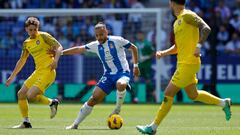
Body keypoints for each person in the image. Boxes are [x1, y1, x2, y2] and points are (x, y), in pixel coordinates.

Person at [136, 0, 232, 134]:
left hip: (189, 63)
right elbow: (177, 47)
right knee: (193, 95)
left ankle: (153, 127)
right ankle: (223, 103)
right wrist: (164, 53)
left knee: (168, 93)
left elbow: (206, 28)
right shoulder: (177, 22)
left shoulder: (187, 15)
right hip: (183, 63)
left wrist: (198, 46)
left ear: (171, 3)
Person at [57, 22, 140, 129]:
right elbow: (78, 49)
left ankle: (117, 109)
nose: (99, 37)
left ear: (106, 32)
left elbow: (134, 48)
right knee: (93, 98)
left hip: (122, 72)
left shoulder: (117, 40)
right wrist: (61, 53)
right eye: (97, 35)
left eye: (101, 34)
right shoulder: (95, 45)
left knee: (121, 83)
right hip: (108, 75)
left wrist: (136, 66)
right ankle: (75, 124)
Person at [5, 17, 63, 128]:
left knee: (31, 95)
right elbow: (22, 60)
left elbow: (59, 47)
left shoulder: (44, 36)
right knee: (21, 94)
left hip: (48, 70)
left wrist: (55, 60)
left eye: (35, 29)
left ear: (38, 28)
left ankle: (52, 102)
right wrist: (12, 76)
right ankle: (26, 122)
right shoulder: (26, 43)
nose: (33, 32)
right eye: (30, 30)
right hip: (38, 71)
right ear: (26, 29)